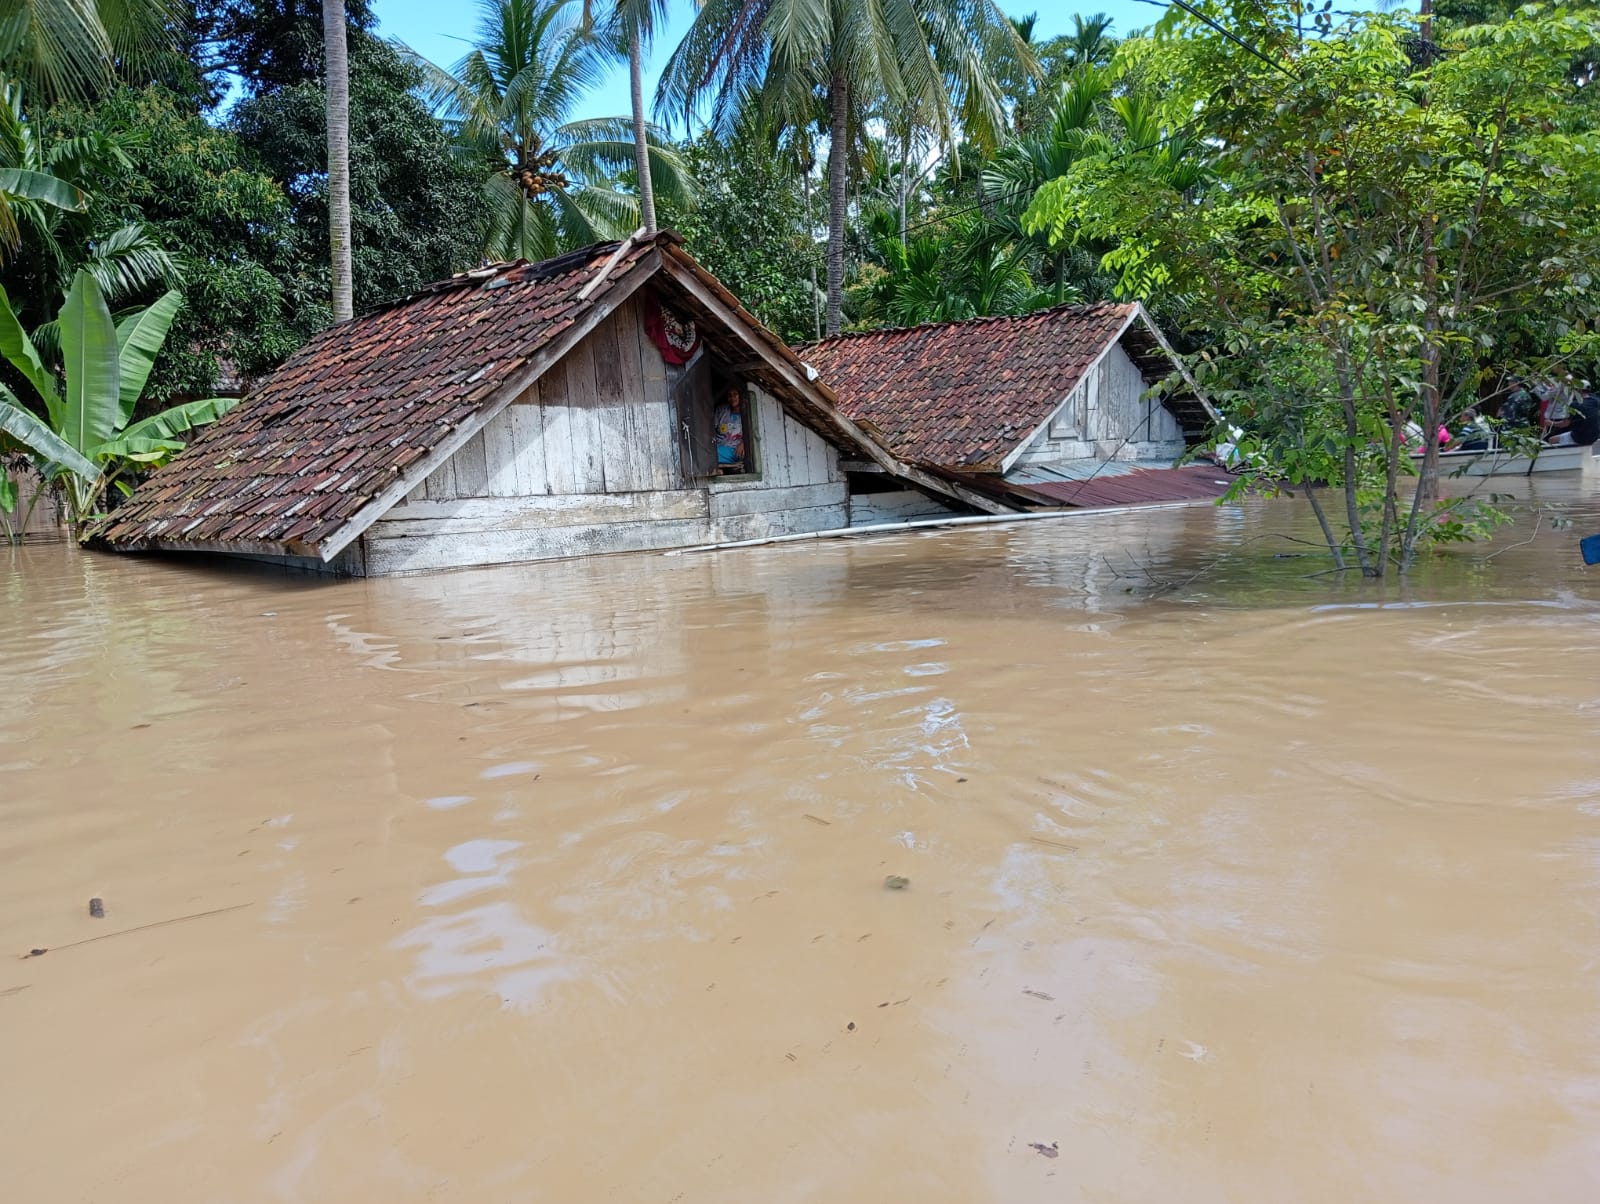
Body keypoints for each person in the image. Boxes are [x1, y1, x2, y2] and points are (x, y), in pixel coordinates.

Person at [714, 385, 746, 472]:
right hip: (718, 445)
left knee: (712, 455)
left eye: (735, 394)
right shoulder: (721, 410)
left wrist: (744, 443)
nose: (732, 398)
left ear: (740, 396)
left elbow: (753, 432)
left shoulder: (747, 412)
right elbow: (711, 428)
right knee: (709, 452)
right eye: (729, 395)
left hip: (735, 449)